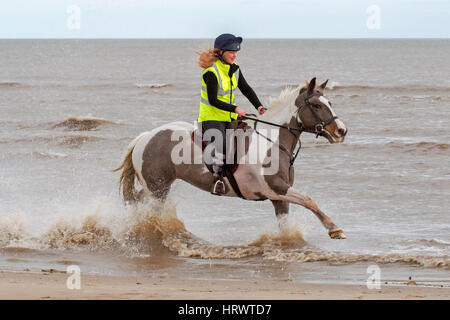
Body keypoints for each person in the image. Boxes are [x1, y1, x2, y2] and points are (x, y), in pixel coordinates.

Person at [196, 33, 266, 195]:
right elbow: (213, 100)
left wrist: (259, 106)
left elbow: (246, 89)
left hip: (229, 116)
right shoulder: (211, 73)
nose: (234, 55)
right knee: (222, 144)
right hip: (211, 117)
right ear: (220, 52)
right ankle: (218, 179)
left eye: (236, 52)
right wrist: (235, 109)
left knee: (249, 136)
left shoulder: (235, 70)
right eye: (231, 51)